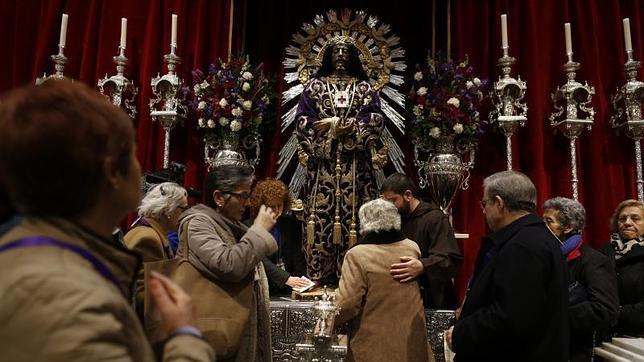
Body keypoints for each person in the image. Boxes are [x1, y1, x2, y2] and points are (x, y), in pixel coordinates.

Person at [0, 80, 213, 361]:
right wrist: (185, 337)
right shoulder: (70, 303)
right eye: (133, 155)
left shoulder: (33, 257)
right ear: (113, 171)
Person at [446, 171, 569, 361]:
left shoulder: (522, 246)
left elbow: (511, 317)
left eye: (485, 204)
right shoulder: (537, 238)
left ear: (499, 203)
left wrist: (462, 333)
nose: (484, 210)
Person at [295, 35, 385, 285]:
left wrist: (346, 128)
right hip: (323, 171)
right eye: (336, 51)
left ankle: (355, 279)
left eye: (346, 51)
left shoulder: (365, 89)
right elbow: (303, 123)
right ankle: (318, 275)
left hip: (357, 171)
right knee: (319, 221)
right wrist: (333, 131)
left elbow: (376, 121)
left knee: (356, 221)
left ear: (354, 57)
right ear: (328, 56)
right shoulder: (314, 88)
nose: (341, 55)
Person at [177, 164, 278, 362]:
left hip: (233, 334)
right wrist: (258, 230)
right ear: (218, 198)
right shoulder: (198, 223)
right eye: (242, 196)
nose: (247, 203)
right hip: (210, 335)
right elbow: (229, 265)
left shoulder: (233, 226)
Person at [335, 198, 434, 362]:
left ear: (365, 223)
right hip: (411, 342)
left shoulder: (358, 255)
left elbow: (347, 304)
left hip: (374, 344)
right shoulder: (411, 247)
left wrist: (326, 319)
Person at [543, 197, 619, 361]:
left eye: (549, 221)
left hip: (578, 351)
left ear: (568, 227)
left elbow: (605, 309)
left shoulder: (593, 261)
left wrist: (552, 317)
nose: (543, 227)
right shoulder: (546, 256)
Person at [381, 172, 462, 309]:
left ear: (408, 195)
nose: (389, 207)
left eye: (393, 201)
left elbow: (450, 259)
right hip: (401, 302)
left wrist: (423, 266)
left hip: (432, 301)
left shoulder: (435, 219)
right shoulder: (395, 220)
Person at [124, 182, 189, 318]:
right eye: (183, 209)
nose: (186, 215)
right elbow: (145, 298)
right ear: (168, 210)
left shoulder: (145, 230)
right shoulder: (149, 239)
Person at [248, 179, 309, 296]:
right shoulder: (249, 226)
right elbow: (260, 260)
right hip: (262, 286)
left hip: (289, 287)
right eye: (272, 206)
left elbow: (297, 254)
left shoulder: (290, 223)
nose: (277, 210)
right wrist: (286, 278)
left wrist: (305, 279)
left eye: (279, 205)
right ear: (261, 206)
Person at [603, 199, 644, 337]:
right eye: (622, 218)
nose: (627, 222)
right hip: (604, 336)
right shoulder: (601, 254)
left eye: (635, 218)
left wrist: (615, 313)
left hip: (637, 337)